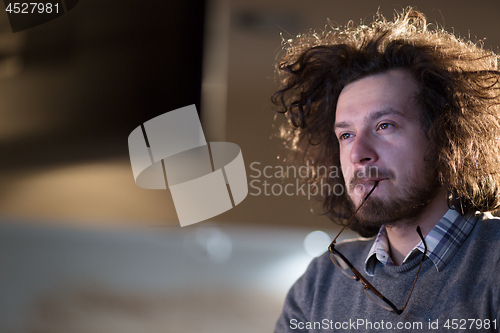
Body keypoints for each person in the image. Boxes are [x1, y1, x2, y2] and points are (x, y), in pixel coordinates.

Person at [272, 7, 500, 332]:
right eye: (346, 135)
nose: (358, 154)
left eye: (384, 125)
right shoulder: (319, 285)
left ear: (446, 136)